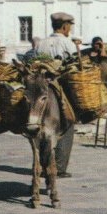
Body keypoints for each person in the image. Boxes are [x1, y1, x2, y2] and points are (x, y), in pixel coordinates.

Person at [36, 12, 78, 177]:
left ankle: (44, 163)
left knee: (44, 127)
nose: (70, 29)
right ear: (64, 26)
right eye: (69, 26)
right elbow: (74, 68)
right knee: (67, 124)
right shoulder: (67, 43)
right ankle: (59, 167)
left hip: (42, 90)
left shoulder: (41, 44)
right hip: (61, 90)